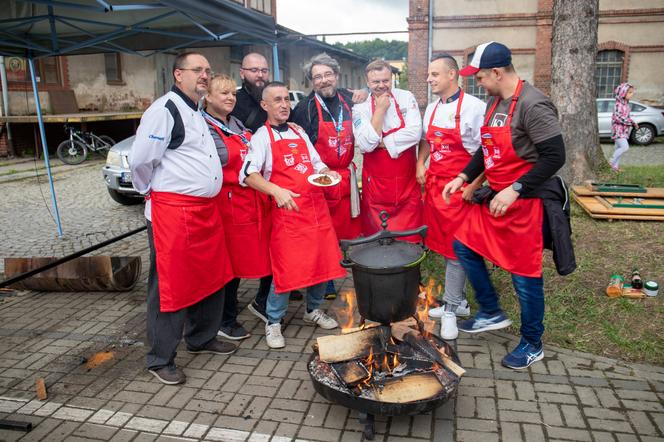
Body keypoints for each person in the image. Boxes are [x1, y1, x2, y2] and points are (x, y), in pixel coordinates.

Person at [442, 41, 566, 370]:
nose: (477, 83)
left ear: (497, 72)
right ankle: (491, 311)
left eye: (480, 77)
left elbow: (556, 156)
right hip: (497, 199)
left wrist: (516, 189)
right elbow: (486, 150)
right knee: (463, 244)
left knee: (525, 276)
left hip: (525, 205)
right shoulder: (495, 103)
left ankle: (532, 342)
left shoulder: (533, 105)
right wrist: (463, 177)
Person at [129, 52, 237, 385]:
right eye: (197, 70)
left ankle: (201, 337)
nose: (205, 75)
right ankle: (160, 358)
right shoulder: (165, 110)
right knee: (170, 286)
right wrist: (151, 193)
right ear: (178, 74)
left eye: (208, 70)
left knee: (211, 276)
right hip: (173, 213)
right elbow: (140, 161)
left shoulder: (196, 110)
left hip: (205, 211)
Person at [240, 82, 346, 349]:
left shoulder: (298, 130)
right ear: (265, 105)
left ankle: (313, 310)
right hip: (289, 215)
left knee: (322, 264)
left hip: (316, 209)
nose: (284, 104)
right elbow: (248, 175)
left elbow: (316, 162)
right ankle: (273, 321)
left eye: (287, 99)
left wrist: (328, 172)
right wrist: (276, 190)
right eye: (277, 100)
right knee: (286, 271)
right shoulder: (261, 137)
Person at [202, 74, 272, 339]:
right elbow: (222, 159)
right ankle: (224, 320)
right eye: (223, 93)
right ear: (207, 97)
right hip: (227, 204)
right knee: (229, 265)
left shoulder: (236, 122)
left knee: (251, 258)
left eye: (233, 93)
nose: (231, 98)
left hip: (249, 201)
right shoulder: (206, 127)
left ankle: (258, 304)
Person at [416, 54, 486, 320]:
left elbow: (487, 153)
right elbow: (426, 140)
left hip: (460, 190)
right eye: (428, 74)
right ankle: (461, 302)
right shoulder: (432, 108)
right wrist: (420, 163)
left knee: (458, 248)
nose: (429, 79)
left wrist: (474, 185)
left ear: (452, 75)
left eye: (434, 74)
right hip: (436, 189)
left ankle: (453, 305)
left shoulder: (474, 107)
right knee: (445, 247)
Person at [291, 53, 364, 300]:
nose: (323, 80)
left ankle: (336, 269)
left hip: (345, 177)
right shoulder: (304, 108)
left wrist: (365, 94)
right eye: (317, 77)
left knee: (342, 230)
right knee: (322, 231)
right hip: (320, 178)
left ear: (336, 75)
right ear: (311, 82)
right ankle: (326, 279)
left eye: (327, 74)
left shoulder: (349, 99)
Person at [352, 59, 423, 240]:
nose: (382, 86)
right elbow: (367, 145)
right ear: (367, 83)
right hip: (376, 186)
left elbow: (415, 132)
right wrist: (380, 110)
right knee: (376, 240)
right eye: (376, 82)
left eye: (386, 80)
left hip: (406, 182)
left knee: (409, 239)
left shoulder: (406, 97)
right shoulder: (360, 108)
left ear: (391, 79)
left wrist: (382, 142)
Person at [231, 53, 271, 134]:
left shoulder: (275, 100)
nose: (260, 75)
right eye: (254, 70)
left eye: (264, 71)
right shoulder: (232, 101)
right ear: (242, 73)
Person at [609, 83, 638, 172]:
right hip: (618, 130)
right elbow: (618, 117)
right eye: (629, 93)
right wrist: (630, 122)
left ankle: (615, 168)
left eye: (632, 92)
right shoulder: (618, 105)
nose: (631, 94)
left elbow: (626, 117)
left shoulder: (626, 105)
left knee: (619, 149)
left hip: (624, 131)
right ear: (622, 93)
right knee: (625, 147)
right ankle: (610, 162)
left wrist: (632, 122)